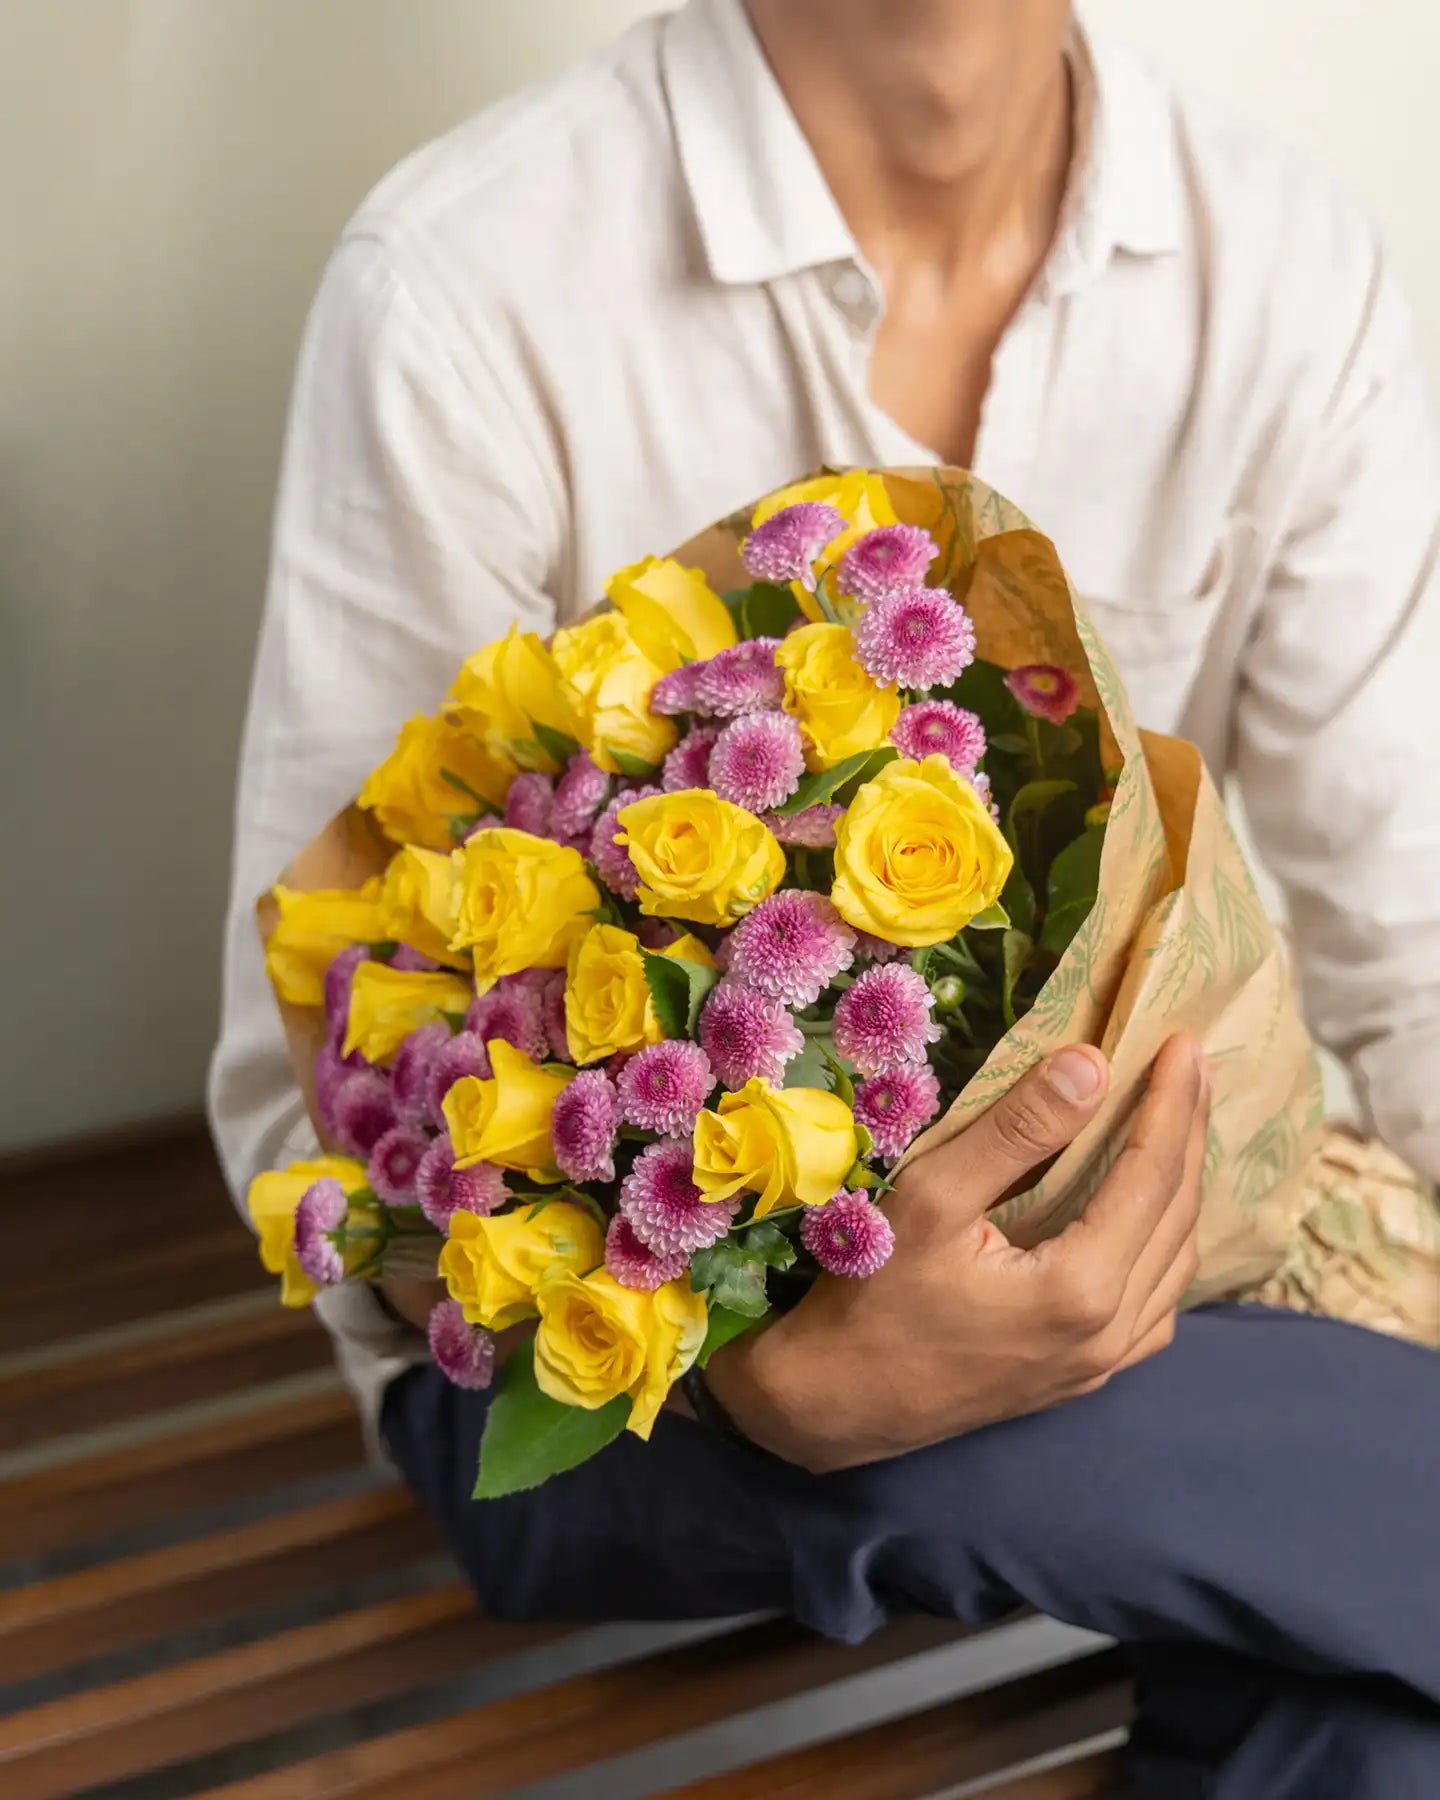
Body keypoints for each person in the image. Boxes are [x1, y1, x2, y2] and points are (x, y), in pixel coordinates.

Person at [209, 2, 1440, 1792]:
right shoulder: (467, 277)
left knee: (1367, 1722)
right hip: (599, 1382)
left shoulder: (1285, 269)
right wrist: (746, 1370)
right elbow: (302, 1113)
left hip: (1177, 1295)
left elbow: (1407, 957)